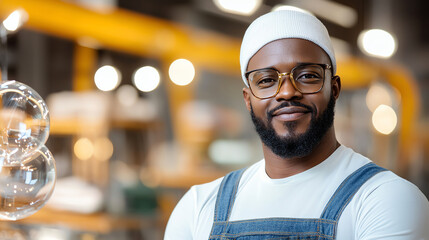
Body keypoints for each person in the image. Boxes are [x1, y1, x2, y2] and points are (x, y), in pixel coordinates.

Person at [164, 9, 429, 240]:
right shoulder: (198, 207)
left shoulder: (386, 199)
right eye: (266, 80)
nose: (287, 92)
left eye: (307, 76)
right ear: (248, 99)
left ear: (333, 88)